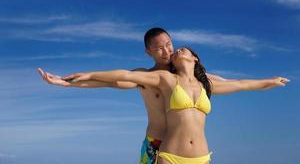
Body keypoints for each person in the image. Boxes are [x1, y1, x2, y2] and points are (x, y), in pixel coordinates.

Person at [66, 46, 289, 164]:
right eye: (175, 51)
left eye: (183, 49)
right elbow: (124, 75)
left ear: (195, 59)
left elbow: (242, 84)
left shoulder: (207, 86)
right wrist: (87, 74)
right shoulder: (166, 80)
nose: (177, 51)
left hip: (201, 158)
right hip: (170, 156)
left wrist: (271, 81)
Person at [38, 27, 228, 164]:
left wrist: (258, 84)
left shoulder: (190, 76)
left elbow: (222, 82)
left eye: (169, 44)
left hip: (186, 152)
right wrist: (66, 83)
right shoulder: (144, 76)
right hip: (155, 146)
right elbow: (111, 81)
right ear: (149, 52)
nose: (167, 51)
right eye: (159, 48)